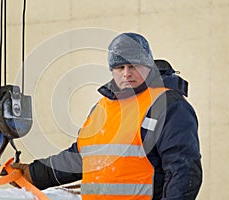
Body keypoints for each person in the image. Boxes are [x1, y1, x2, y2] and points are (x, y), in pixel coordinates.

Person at [11, 33, 203, 200]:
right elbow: (81, 157)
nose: (126, 74)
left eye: (133, 66)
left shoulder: (168, 105)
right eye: (120, 68)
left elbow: (184, 171)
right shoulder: (103, 107)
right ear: (112, 71)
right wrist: (33, 174)